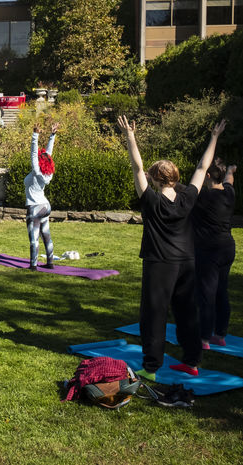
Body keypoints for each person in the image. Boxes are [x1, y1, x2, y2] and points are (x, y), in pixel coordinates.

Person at [117, 115, 226, 380]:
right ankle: (192, 361)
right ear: (175, 178)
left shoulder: (151, 201)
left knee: (154, 315)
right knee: (187, 312)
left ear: (155, 179)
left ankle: (151, 368)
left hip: (160, 264)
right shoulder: (187, 197)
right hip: (187, 262)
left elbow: (136, 167)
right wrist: (214, 137)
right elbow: (202, 167)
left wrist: (130, 136)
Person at [192, 159, 236, 349]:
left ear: (207, 175)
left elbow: (181, 189)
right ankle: (220, 335)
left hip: (209, 252)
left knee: (206, 295)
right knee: (221, 291)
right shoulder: (229, 193)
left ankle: (203, 339)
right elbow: (229, 180)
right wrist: (231, 170)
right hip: (227, 248)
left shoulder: (202, 196)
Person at [25, 123, 59, 270]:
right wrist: (52, 135)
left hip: (35, 207)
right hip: (45, 206)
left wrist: (35, 135)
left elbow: (33, 154)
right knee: (46, 235)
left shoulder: (36, 171)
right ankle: (50, 263)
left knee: (34, 238)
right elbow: (48, 154)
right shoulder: (47, 173)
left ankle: (33, 266)